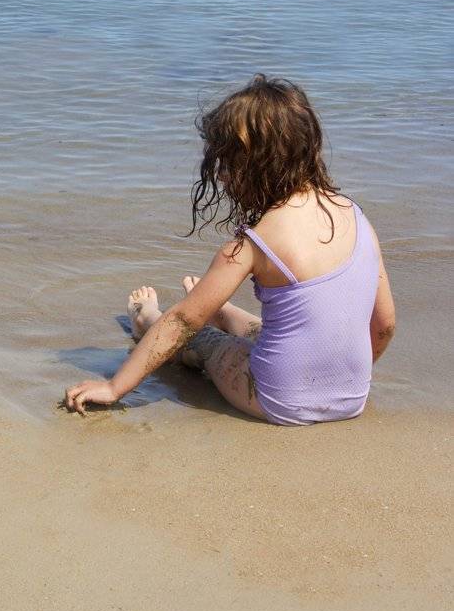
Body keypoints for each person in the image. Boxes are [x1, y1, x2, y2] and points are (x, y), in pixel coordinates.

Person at [64, 75, 396, 425]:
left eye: (226, 164)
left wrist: (114, 387)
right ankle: (220, 308)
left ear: (254, 165)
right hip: (351, 397)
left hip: (277, 399)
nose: (222, 177)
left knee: (207, 342)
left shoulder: (254, 243)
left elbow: (183, 322)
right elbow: (385, 325)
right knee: (265, 330)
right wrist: (342, 378)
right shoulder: (357, 219)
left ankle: (145, 318)